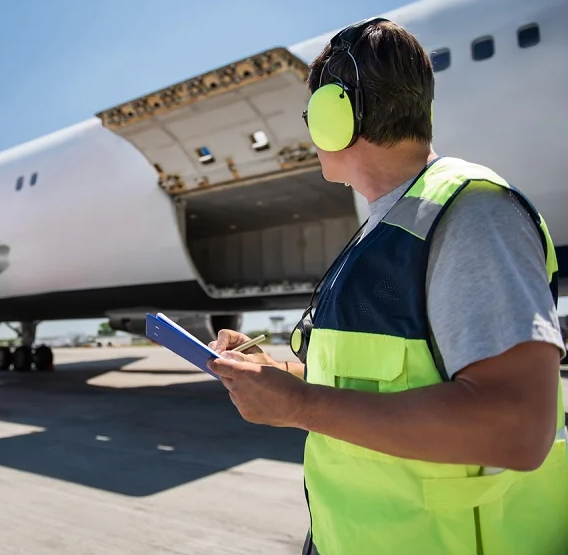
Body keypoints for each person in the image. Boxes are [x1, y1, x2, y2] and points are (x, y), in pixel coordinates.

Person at [207, 17, 568, 555]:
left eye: (312, 117)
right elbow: (371, 379)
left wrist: (301, 406)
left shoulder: (471, 216)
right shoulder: (394, 224)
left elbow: (517, 428)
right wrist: (271, 375)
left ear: (336, 117)